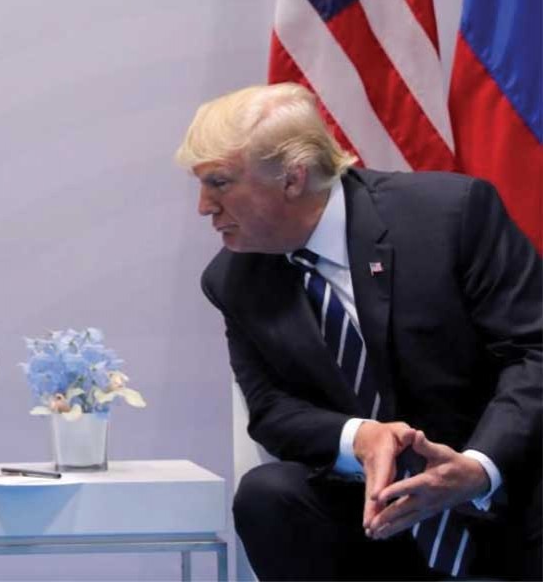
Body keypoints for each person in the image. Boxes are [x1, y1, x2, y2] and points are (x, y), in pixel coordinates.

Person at [176, 82, 541, 580]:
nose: (203, 207)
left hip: (505, 489)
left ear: (292, 179)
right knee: (269, 494)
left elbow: (533, 350)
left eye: (218, 182)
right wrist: (360, 437)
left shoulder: (449, 216)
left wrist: (479, 467)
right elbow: (271, 409)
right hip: (373, 517)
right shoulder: (235, 280)